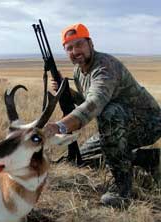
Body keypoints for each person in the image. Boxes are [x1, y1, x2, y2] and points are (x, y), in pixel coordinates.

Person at [44, 23, 161, 207]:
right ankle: (149, 159)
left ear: (90, 43)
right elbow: (86, 99)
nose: (75, 51)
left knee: (109, 113)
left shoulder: (105, 67)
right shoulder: (79, 71)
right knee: (83, 159)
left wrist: (59, 126)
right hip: (120, 124)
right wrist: (66, 91)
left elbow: (94, 104)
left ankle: (122, 190)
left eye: (79, 44)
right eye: (70, 48)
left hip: (148, 124)